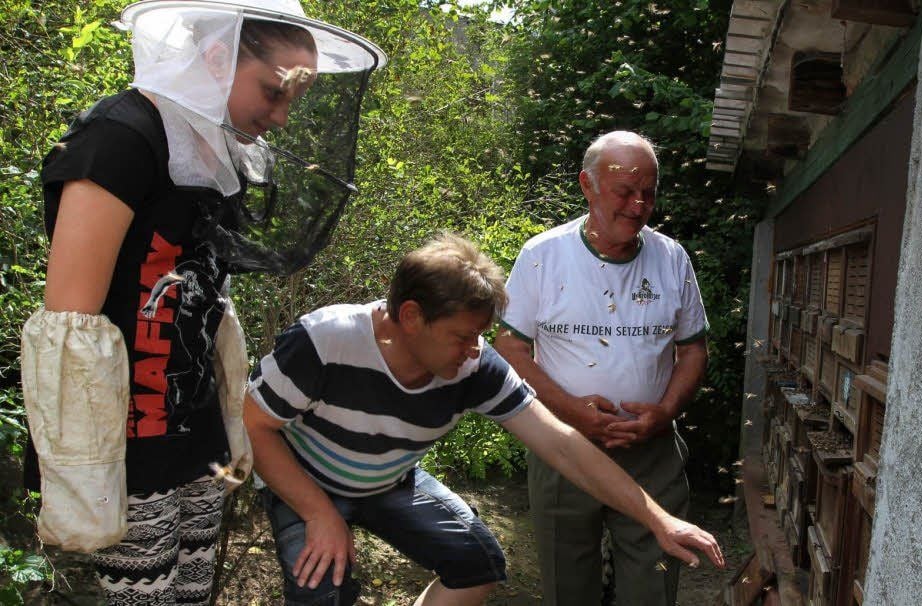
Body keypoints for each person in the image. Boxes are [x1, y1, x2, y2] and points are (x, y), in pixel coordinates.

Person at [19, 1, 384, 603]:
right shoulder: (121, 137)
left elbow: (205, 292)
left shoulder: (214, 145)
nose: (281, 116)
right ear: (217, 57)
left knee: (192, 592)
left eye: (292, 100)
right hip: (128, 440)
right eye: (273, 92)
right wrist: (87, 471)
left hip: (196, 428)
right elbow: (70, 324)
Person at [244, 233, 724, 606]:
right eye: (462, 336)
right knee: (321, 588)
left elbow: (562, 445)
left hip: (389, 480)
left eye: (480, 336)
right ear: (410, 316)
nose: (474, 351)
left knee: (477, 565)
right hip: (306, 481)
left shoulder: (475, 368)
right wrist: (319, 513)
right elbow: (254, 425)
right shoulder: (324, 340)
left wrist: (659, 519)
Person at [494, 131, 710, 605]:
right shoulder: (542, 255)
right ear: (587, 185)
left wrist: (664, 413)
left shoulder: (671, 257)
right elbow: (509, 349)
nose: (638, 205)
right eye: (624, 191)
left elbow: (694, 351)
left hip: (651, 452)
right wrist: (571, 410)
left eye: (648, 193)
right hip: (564, 447)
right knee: (568, 585)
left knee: (652, 585)